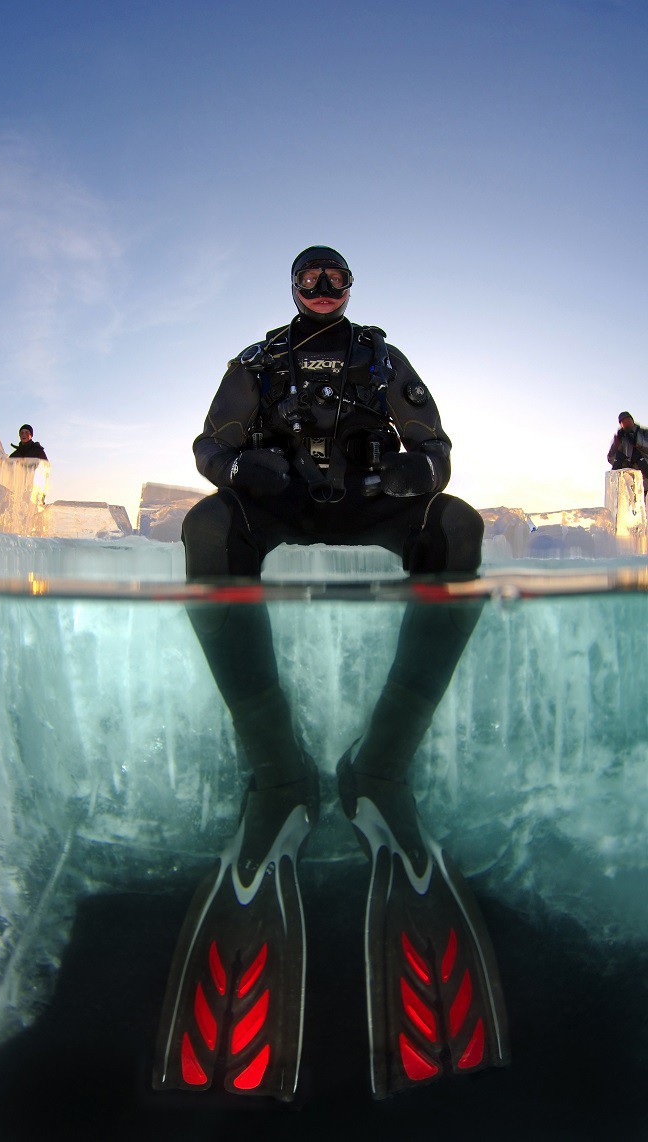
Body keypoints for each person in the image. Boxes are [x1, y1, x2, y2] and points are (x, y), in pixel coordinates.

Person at [152, 247, 508, 1101]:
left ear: (351, 287)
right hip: (277, 500)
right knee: (209, 527)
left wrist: (413, 472)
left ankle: (378, 766)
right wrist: (241, 470)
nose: (321, 290)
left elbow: (437, 449)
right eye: (309, 278)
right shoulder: (258, 361)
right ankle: (279, 772)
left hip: (364, 498)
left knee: (453, 527)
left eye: (333, 278)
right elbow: (211, 443)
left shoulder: (383, 359)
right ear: (291, 287)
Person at [607, 411, 648, 495]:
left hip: (645, 473)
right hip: (630, 482)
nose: (626, 423)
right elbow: (610, 459)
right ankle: (614, 491)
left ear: (632, 420)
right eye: (623, 422)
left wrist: (635, 439)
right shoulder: (621, 438)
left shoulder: (644, 433)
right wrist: (615, 445)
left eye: (628, 420)